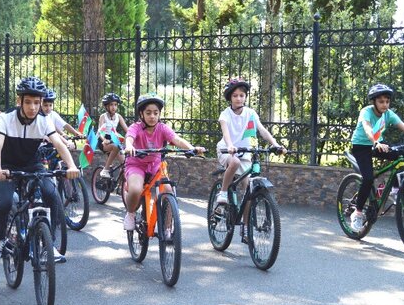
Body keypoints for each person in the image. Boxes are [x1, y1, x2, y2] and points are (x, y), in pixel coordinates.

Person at [0, 76, 79, 263]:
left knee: (51, 194)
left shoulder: (44, 121)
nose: (33, 107)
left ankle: (49, 244)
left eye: (37, 102)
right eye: (28, 102)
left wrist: (71, 165)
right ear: (18, 101)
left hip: (33, 164)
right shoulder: (6, 118)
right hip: (7, 167)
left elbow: (59, 144)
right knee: (4, 203)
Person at [348, 84, 404, 232]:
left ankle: (395, 189)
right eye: (381, 101)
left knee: (402, 155)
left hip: (378, 145)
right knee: (368, 179)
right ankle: (358, 213)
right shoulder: (366, 112)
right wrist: (376, 142)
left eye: (387, 101)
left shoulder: (389, 114)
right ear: (374, 102)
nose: (385, 104)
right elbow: (367, 127)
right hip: (361, 146)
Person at [123, 93, 205, 230]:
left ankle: (167, 229)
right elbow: (129, 137)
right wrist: (129, 146)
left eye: (156, 113)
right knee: (136, 189)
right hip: (137, 164)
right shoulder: (135, 127)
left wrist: (192, 148)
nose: (152, 116)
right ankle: (130, 214)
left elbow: (177, 140)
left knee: (168, 191)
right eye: (148, 113)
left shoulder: (162, 128)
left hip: (155, 165)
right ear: (141, 114)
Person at [216, 77, 286, 206]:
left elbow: (262, 131)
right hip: (227, 149)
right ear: (230, 98)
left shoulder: (250, 113)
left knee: (249, 188)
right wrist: (230, 145)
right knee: (235, 161)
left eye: (242, 95)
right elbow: (226, 134)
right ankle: (223, 192)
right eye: (235, 95)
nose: (238, 98)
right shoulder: (225, 114)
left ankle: (246, 224)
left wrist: (276, 145)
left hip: (245, 151)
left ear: (245, 97)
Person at [96, 92, 129, 178]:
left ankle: (120, 184)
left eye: (115, 105)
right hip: (104, 140)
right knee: (116, 146)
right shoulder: (103, 117)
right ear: (106, 106)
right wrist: (104, 140)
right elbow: (100, 131)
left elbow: (128, 130)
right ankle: (105, 170)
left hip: (114, 139)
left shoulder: (118, 117)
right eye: (111, 105)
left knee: (125, 163)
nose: (114, 107)